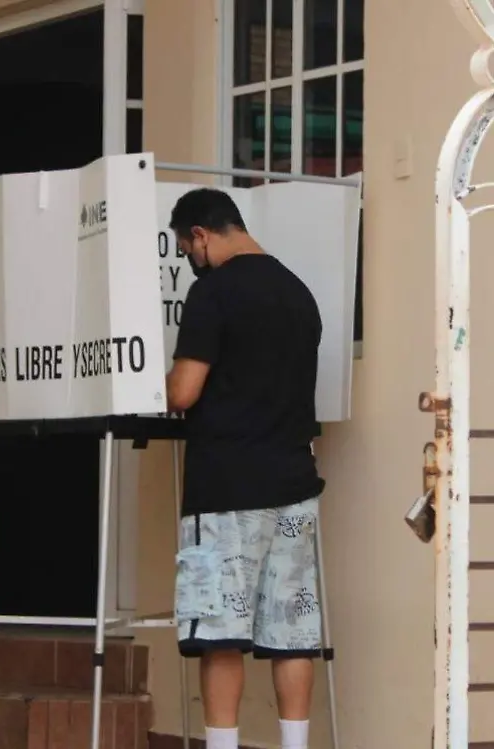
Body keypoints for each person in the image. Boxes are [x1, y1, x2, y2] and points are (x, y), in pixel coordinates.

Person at [165, 188, 325, 749]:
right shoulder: (297, 291)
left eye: (187, 247)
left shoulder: (213, 293)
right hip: (294, 483)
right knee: (292, 632)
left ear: (200, 236)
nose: (190, 257)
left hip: (227, 488)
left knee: (220, 633)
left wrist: (164, 390)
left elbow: (185, 390)